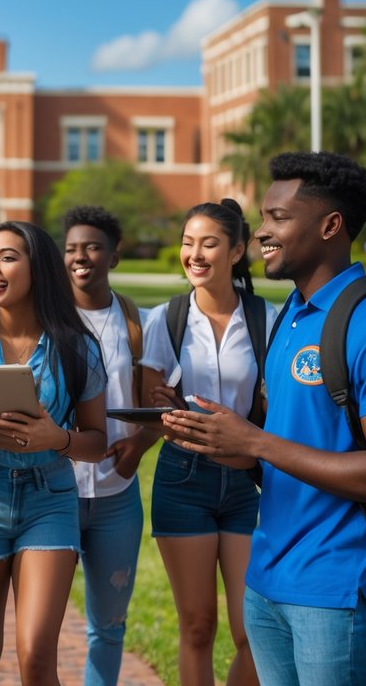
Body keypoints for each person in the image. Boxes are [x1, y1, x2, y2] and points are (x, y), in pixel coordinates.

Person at [163, 152, 366, 685]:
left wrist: (258, 443)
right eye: (264, 217)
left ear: (331, 225)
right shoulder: (288, 313)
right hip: (267, 580)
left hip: (338, 589)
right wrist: (228, 444)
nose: (262, 231)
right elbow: (287, 444)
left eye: (279, 218)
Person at [0, 220, 107, 686]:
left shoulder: (77, 347)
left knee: (36, 656)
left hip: (49, 498)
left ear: (39, 270)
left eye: (8, 258)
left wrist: (57, 439)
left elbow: (98, 442)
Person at [139, 199, 276, 686]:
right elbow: (151, 409)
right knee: (197, 627)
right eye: (187, 242)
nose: (194, 254)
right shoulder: (165, 319)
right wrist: (162, 405)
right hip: (183, 478)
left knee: (253, 632)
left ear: (237, 250)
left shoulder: (269, 319)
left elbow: (279, 407)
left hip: (249, 483)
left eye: (209, 243)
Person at [63, 206, 157, 686]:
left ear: (114, 256)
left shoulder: (138, 323)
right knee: (40, 624)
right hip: (53, 493)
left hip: (116, 496)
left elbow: (165, 404)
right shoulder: (46, 321)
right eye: (72, 249)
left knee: (109, 626)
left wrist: (140, 443)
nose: (81, 257)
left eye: (93, 247)